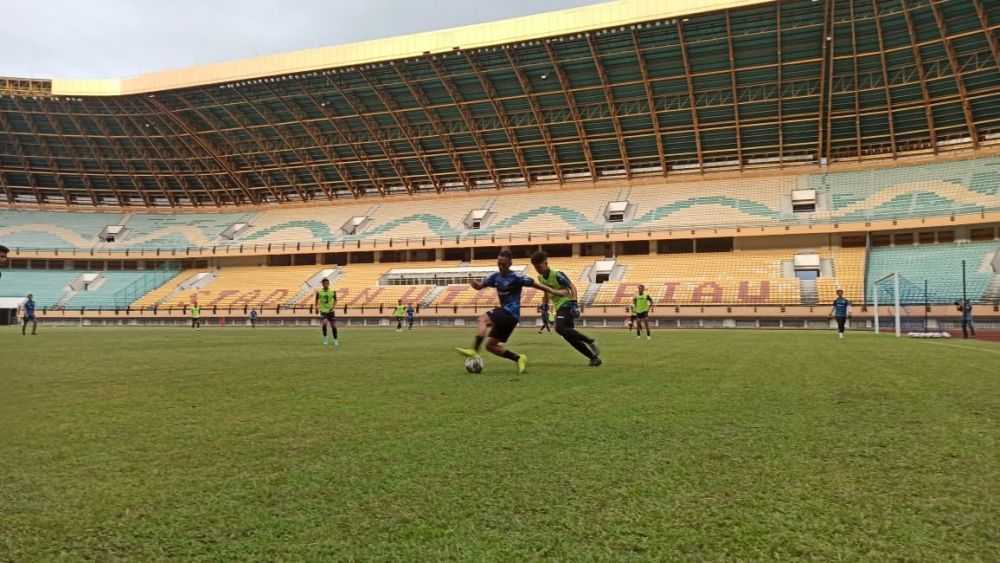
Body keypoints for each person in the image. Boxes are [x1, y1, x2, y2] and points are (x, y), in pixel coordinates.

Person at [456, 250, 568, 374]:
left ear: (510, 263)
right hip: (508, 317)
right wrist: (475, 284)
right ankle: (519, 358)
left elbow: (535, 284)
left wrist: (554, 291)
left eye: (503, 264)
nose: (501, 267)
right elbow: (481, 286)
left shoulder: (516, 277)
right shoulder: (495, 277)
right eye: (499, 264)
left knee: (483, 319)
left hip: (510, 312)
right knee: (491, 346)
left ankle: (475, 350)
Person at [530, 251, 601, 366]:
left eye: (539, 266)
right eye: (536, 268)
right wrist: (544, 306)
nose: (538, 269)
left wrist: (574, 303)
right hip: (559, 307)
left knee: (559, 328)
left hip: (567, 303)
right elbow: (546, 293)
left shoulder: (557, 274)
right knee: (569, 337)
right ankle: (593, 358)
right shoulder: (540, 278)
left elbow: (572, 287)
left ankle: (590, 341)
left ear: (546, 263)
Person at [315, 278, 339, 346]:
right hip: (323, 311)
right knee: (325, 323)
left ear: (329, 284)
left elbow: (335, 300)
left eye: (327, 283)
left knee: (333, 326)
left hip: (331, 311)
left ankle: (335, 340)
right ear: (322, 284)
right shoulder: (319, 292)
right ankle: (325, 338)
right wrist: (316, 307)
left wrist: (333, 307)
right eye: (324, 283)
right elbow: (316, 301)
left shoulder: (332, 291)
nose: (326, 284)